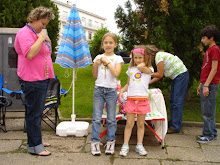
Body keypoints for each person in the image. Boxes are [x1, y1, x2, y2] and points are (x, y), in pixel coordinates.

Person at [14, 6, 55, 156]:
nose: (44, 27)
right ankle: (34, 146)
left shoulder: (35, 34)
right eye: (43, 24)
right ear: (34, 18)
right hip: (32, 79)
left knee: (37, 112)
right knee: (34, 113)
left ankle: (36, 140)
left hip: (40, 77)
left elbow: (44, 53)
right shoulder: (25, 33)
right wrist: (42, 38)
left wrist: (44, 39)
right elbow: (30, 53)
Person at [91, 32, 124, 156]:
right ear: (102, 44)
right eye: (106, 43)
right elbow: (94, 75)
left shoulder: (117, 58)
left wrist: (107, 62)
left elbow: (116, 74)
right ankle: (95, 142)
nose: (108, 45)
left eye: (111, 42)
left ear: (115, 44)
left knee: (111, 118)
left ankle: (110, 141)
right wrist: (96, 64)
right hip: (99, 89)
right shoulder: (98, 57)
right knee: (96, 118)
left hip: (111, 90)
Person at [119, 45, 154, 157]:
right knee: (129, 123)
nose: (137, 60)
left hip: (143, 100)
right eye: (135, 57)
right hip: (131, 100)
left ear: (146, 58)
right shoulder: (130, 70)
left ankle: (139, 145)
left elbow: (142, 68)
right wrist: (121, 91)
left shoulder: (149, 69)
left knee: (140, 124)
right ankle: (125, 145)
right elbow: (128, 84)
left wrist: (143, 62)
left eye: (140, 57)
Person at [147, 45, 189, 134]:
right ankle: (173, 122)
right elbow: (159, 75)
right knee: (173, 100)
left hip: (180, 75)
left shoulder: (158, 56)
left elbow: (160, 74)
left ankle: (175, 126)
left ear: (150, 54)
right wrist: (148, 83)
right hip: (177, 76)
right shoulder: (159, 56)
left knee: (177, 101)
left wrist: (146, 73)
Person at [197, 25, 220, 143]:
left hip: (211, 84)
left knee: (208, 111)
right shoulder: (209, 50)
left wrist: (206, 85)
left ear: (211, 38)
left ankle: (209, 134)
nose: (202, 40)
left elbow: (214, 69)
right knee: (207, 109)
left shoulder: (215, 49)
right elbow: (206, 68)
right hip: (206, 83)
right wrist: (201, 84)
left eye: (204, 38)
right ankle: (212, 132)